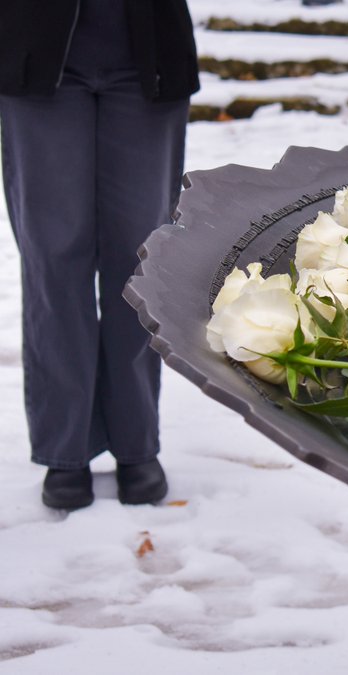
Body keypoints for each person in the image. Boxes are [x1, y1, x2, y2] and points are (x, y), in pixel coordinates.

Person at [0, 0, 199, 509]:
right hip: (38, 63)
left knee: (139, 262)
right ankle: (64, 451)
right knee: (54, 260)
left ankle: (136, 445)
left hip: (146, 65)